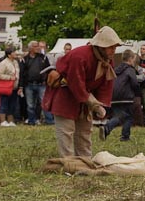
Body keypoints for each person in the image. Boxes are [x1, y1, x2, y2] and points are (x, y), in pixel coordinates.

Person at [43, 26, 120, 158]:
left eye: (115, 47)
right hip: (65, 95)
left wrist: (100, 105)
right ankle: (68, 163)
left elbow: (106, 85)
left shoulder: (108, 60)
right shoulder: (80, 56)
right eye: (111, 47)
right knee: (66, 131)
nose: (114, 50)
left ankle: (85, 161)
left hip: (85, 99)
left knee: (85, 132)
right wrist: (93, 103)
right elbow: (75, 82)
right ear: (101, 46)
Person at [102, 49, 140, 141]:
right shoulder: (130, 70)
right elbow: (134, 83)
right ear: (130, 59)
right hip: (126, 97)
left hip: (114, 97)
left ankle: (121, 134)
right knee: (128, 117)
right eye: (134, 59)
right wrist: (137, 93)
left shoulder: (116, 69)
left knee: (121, 115)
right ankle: (108, 128)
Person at [20, 41, 52, 125]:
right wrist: (21, 86)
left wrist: (47, 81)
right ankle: (31, 121)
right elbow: (22, 73)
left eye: (38, 46)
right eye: (35, 46)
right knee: (30, 105)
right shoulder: (24, 59)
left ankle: (49, 120)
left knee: (44, 103)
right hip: (29, 85)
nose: (38, 48)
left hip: (41, 84)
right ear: (30, 48)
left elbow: (49, 70)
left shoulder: (43, 58)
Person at [0, 47, 21, 127]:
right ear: (9, 54)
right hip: (6, 87)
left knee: (12, 104)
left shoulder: (16, 62)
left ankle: (10, 121)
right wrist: (10, 77)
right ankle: (3, 121)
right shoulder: (3, 63)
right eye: (14, 52)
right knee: (4, 103)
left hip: (14, 87)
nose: (16, 54)